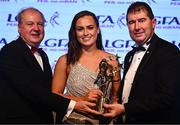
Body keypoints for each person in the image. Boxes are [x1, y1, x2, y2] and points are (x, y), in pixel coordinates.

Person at [0, 7, 101, 124]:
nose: (36, 28)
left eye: (40, 24)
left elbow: (47, 91)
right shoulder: (11, 51)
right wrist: (75, 103)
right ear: (19, 28)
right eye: (30, 24)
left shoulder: (42, 55)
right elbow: (33, 91)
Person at [103, 1, 180, 123]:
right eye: (131, 22)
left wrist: (124, 108)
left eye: (141, 20)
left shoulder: (168, 51)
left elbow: (167, 97)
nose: (137, 27)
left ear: (153, 23)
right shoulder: (129, 55)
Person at [52, 10, 121, 124]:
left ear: (97, 29)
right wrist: (81, 99)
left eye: (90, 27)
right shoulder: (65, 60)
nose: (85, 33)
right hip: (72, 121)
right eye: (80, 29)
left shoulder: (112, 61)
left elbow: (115, 98)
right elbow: (54, 96)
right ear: (74, 32)